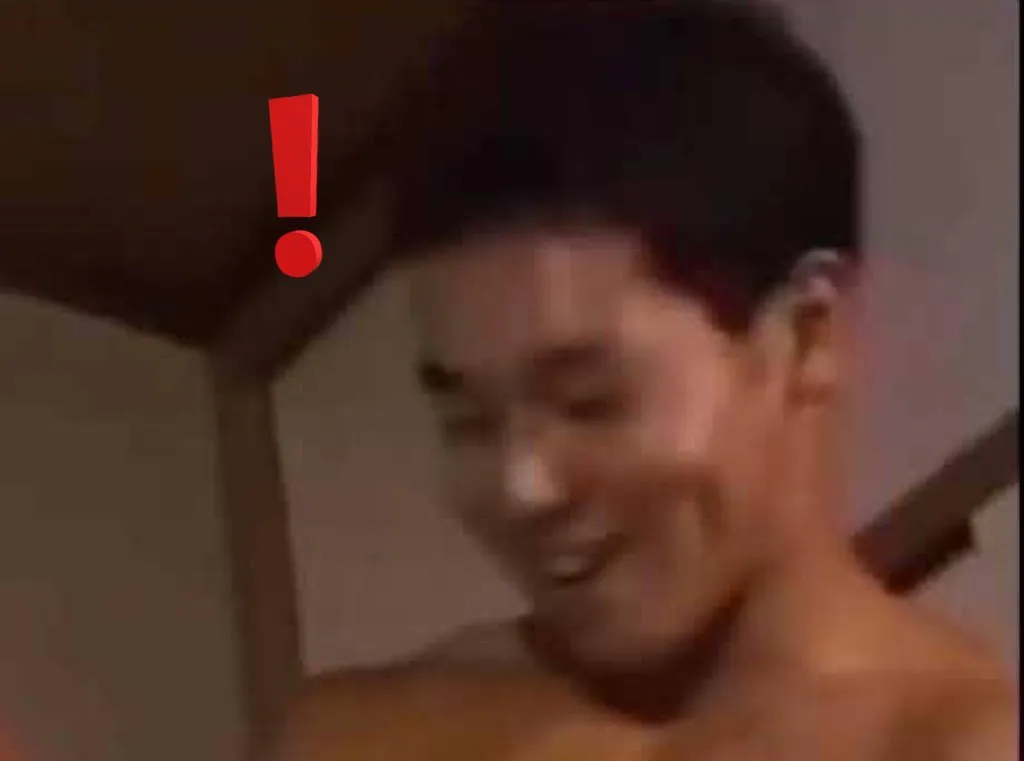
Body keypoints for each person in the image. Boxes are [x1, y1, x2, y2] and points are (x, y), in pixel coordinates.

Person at [269, 2, 1017, 759]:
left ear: (806, 333)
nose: (522, 486)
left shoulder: (958, 744)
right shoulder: (359, 736)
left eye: (588, 401)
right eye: (469, 419)